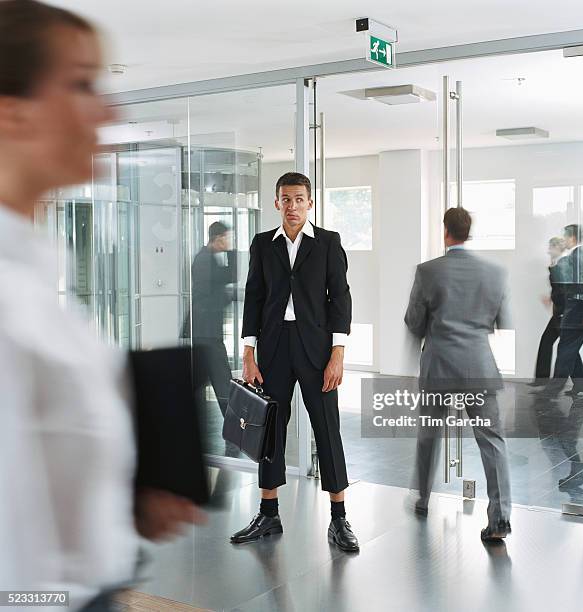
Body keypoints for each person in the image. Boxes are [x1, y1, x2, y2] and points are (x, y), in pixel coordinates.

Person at [0, 2, 202, 610]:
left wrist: (127, 493)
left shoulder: (35, 269)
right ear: (11, 113)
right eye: (82, 84)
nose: (111, 111)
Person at [230, 172, 359, 552]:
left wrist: (338, 353)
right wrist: (249, 353)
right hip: (273, 350)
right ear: (276, 203)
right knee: (269, 431)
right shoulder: (262, 245)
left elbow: (341, 299)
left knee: (327, 429)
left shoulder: (328, 244)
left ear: (310, 203)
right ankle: (268, 513)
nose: (292, 206)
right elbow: (253, 299)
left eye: (299, 199)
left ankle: (339, 519)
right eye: (285, 200)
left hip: (317, 351)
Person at [405, 207, 513, 542]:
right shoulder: (494, 273)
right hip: (479, 367)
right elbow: (502, 321)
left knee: (429, 436)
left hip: (439, 367)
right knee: (492, 442)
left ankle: (422, 499)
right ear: (469, 231)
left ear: (446, 232)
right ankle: (499, 518)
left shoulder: (428, 271)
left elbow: (413, 322)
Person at [190, 221, 236, 418]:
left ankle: (231, 420)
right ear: (217, 239)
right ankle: (233, 422)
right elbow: (230, 275)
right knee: (221, 377)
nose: (228, 242)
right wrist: (231, 252)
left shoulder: (206, 258)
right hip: (206, 331)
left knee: (217, 377)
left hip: (205, 330)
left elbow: (214, 288)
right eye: (226, 238)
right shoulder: (204, 260)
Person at [542, 224, 583, 398]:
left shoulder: (574, 258)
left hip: (577, 310)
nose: (563, 240)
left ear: (572, 238)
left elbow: (574, 286)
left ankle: (553, 390)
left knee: (565, 350)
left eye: (565, 237)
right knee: (575, 350)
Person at [530, 237, 568, 385]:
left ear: (557, 248)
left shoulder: (561, 266)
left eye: (551, 247)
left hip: (562, 314)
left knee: (564, 348)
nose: (548, 250)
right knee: (554, 345)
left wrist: (551, 298)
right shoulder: (558, 265)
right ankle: (542, 379)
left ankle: (543, 380)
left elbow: (561, 290)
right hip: (560, 313)